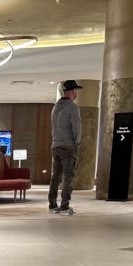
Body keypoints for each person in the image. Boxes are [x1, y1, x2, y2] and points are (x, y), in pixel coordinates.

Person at [48, 79, 83, 215]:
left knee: (55, 176)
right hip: (68, 147)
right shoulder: (72, 107)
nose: (77, 93)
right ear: (72, 91)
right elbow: (76, 128)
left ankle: (52, 205)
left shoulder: (55, 107)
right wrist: (77, 144)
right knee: (69, 177)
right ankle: (64, 206)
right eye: (76, 90)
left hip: (56, 145)